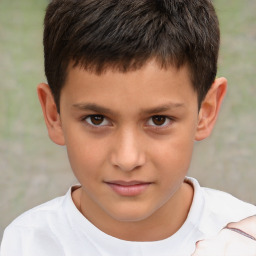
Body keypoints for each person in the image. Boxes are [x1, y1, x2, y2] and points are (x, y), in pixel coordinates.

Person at [1, 0, 256, 255]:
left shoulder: (245, 240)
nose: (127, 159)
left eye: (158, 119)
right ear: (54, 114)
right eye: (97, 119)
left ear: (206, 111)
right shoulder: (24, 243)